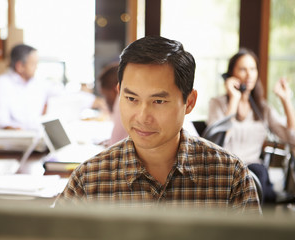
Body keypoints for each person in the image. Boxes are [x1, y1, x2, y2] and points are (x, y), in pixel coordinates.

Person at [55, 36, 261, 214]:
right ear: (119, 93)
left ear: (189, 102)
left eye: (158, 101)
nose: (143, 117)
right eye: (131, 99)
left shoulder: (230, 176)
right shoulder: (89, 179)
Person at [207, 48, 295, 203]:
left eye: (253, 69)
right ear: (231, 74)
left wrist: (286, 100)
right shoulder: (217, 104)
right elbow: (217, 142)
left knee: (257, 174)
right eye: (242, 69)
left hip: (255, 171)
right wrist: (234, 99)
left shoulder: (262, 108)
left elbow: (291, 138)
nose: (249, 75)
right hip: (226, 170)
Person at [0, 44, 59, 131]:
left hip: (36, 137)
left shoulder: (38, 82)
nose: (36, 67)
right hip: (13, 140)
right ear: (20, 66)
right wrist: (19, 132)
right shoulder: (0, 84)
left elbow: (60, 94)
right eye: (33, 64)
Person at [97, 62, 128, 146]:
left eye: (105, 95)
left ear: (116, 89)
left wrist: (111, 143)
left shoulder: (120, 102)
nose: (105, 100)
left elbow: (115, 144)